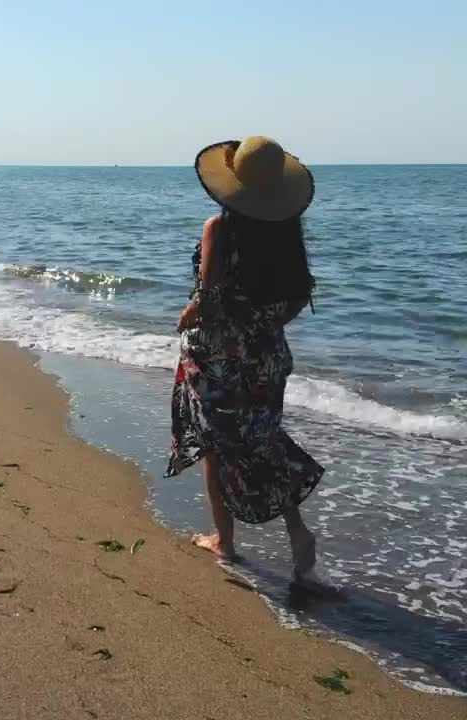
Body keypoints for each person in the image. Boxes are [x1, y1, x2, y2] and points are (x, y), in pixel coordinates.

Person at [165, 136, 329, 588]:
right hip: (268, 360)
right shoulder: (287, 237)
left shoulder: (220, 227)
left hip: (217, 360)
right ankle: (298, 534)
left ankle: (225, 542)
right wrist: (260, 326)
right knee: (264, 442)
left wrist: (186, 317)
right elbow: (297, 299)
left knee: (216, 449)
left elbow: (208, 296)